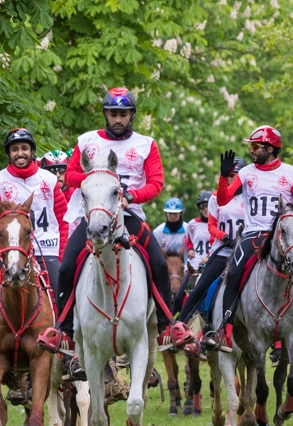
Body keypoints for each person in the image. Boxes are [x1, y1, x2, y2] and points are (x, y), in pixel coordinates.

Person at [56, 88, 182, 347]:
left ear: (132, 116)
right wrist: (95, 179)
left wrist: (131, 197)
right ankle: (64, 331)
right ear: (105, 113)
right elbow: (69, 176)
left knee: (158, 263)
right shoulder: (86, 140)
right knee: (67, 266)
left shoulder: (146, 144)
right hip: (92, 216)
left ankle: (166, 324)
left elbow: (156, 183)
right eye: (113, 113)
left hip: (129, 214)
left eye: (123, 114)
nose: (117, 119)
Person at [203, 126, 293, 353]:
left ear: (269, 148)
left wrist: (291, 232)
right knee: (234, 273)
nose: (251, 150)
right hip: (253, 235)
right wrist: (223, 176)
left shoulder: (292, 172)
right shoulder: (246, 172)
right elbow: (222, 200)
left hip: (286, 236)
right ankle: (225, 333)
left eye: (255, 146)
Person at [0, 128, 71, 379]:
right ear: (9, 154)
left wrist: (62, 255)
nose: (19, 153)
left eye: (24, 148)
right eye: (14, 149)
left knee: (64, 290)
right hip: (8, 252)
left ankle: (70, 353)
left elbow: (63, 219)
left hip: (47, 249)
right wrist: (9, 224)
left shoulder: (49, 180)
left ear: (32, 152)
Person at [173, 164, 246, 334]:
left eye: (236, 174)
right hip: (222, 251)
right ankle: (179, 326)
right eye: (230, 175)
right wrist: (224, 237)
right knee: (201, 285)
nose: (233, 178)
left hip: (244, 251)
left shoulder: (250, 197)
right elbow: (211, 226)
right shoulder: (215, 198)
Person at [171, 189, 217, 318]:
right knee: (179, 295)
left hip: (212, 264)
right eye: (202, 206)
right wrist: (190, 249)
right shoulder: (192, 224)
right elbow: (189, 240)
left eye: (208, 206)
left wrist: (209, 256)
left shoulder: (218, 222)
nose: (205, 209)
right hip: (194, 265)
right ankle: (170, 324)